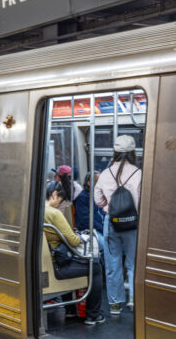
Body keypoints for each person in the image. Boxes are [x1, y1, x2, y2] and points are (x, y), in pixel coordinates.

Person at [44, 180, 105, 325]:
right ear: (54, 195)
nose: (60, 203)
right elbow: (73, 241)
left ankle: (71, 310)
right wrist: (76, 235)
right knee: (95, 267)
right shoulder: (54, 213)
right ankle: (93, 315)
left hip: (49, 264)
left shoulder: (36, 211)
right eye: (60, 199)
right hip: (57, 267)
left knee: (67, 259)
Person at [94, 135, 141, 314]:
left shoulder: (105, 174)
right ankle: (133, 299)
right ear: (132, 153)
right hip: (133, 224)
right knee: (132, 262)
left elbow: (98, 200)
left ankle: (115, 304)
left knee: (112, 262)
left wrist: (109, 205)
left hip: (111, 222)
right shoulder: (138, 173)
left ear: (115, 152)